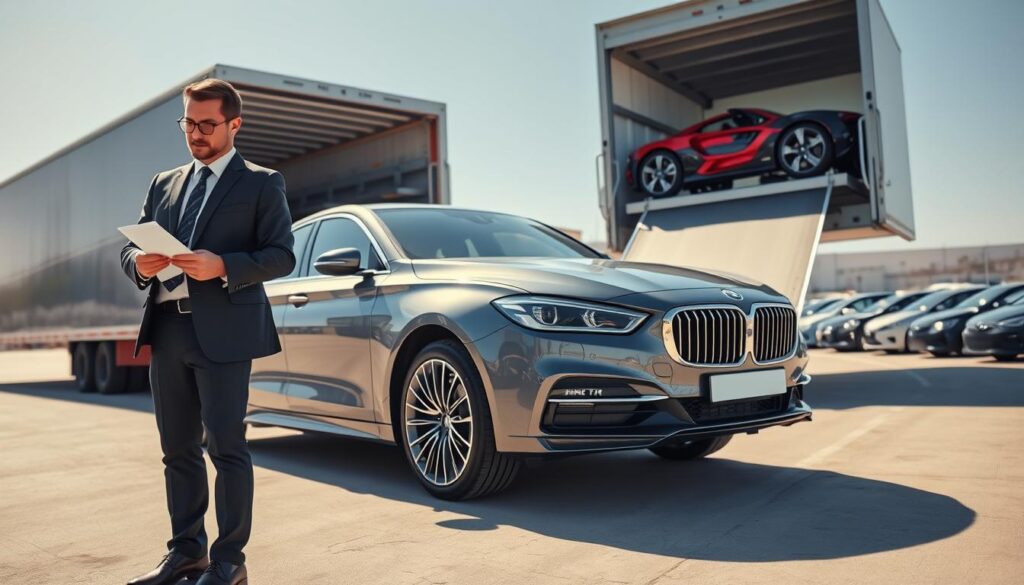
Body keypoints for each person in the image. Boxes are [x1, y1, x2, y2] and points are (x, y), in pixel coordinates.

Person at [119, 77, 295, 585]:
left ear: (234, 124)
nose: (195, 133)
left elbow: (282, 254)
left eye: (207, 124)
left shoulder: (263, 183)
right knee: (176, 448)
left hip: (224, 333)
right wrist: (143, 265)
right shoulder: (164, 183)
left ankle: (229, 562)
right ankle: (187, 551)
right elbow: (128, 251)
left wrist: (222, 265)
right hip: (168, 331)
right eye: (188, 123)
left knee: (226, 447)